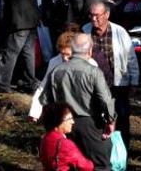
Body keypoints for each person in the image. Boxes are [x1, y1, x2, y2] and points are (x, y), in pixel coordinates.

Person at [40, 33, 116, 171]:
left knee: (68, 165)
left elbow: (45, 99)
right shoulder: (94, 72)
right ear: (90, 50)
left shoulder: (56, 71)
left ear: (72, 49)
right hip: (90, 123)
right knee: (100, 165)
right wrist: (110, 122)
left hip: (63, 123)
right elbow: (105, 100)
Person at [83, 1, 139, 147]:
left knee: (121, 117)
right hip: (93, 85)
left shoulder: (119, 32)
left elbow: (131, 58)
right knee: (97, 117)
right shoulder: (85, 31)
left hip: (118, 83)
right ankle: (102, 149)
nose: (93, 19)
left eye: (97, 15)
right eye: (91, 15)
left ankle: (122, 153)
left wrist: (134, 81)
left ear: (107, 15)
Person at [40, 103, 95, 171]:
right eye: (69, 119)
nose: (72, 122)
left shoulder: (45, 138)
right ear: (58, 121)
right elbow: (86, 166)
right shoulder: (65, 144)